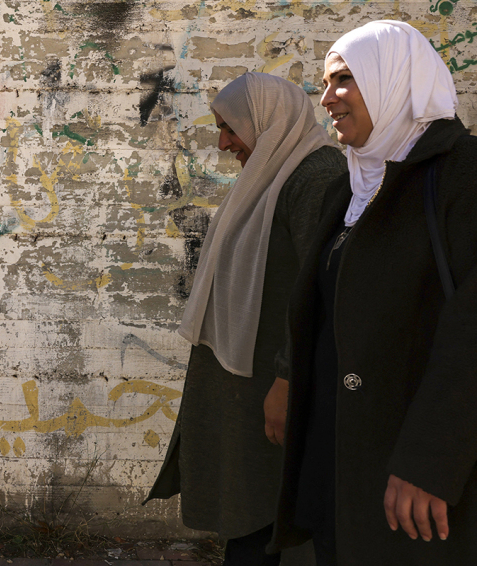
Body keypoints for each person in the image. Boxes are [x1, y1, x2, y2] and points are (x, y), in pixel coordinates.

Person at [269, 20, 477, 565]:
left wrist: (430, 460)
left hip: (417, 477)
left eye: (343, 80)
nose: (328, 98)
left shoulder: (462, 176)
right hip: (344, 461)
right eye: (325, 83)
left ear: (393, 78)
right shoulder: (350, 186)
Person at [145, 72, 346, 566]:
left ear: (266, 121)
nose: (223, 142)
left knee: (267, 519)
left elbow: (321, 290)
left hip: (273, 389)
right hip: (250, 386)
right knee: (255, 517)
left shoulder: (315, 177)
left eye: (231, 128)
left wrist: (287, 379)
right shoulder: (273, 173)